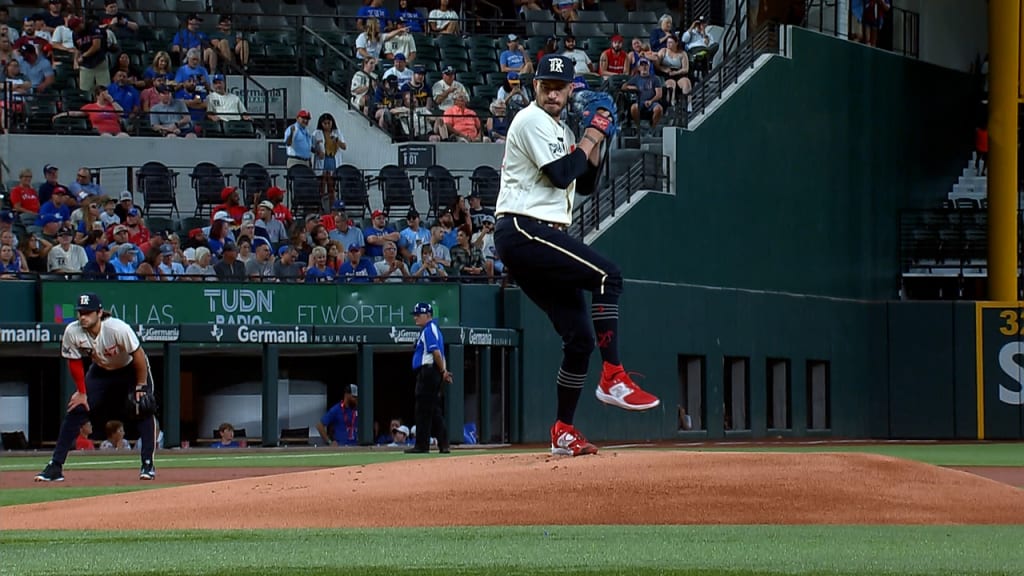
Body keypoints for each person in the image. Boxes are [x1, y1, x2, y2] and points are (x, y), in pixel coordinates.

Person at [492, 54, 660, 458]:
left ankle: (562, 430)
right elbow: (560, 174)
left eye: (559, 86)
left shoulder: (561, 127)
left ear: (570, 90)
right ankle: (614, 377)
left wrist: (597, 141)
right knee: (608, 276)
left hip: (540, 232)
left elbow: (583, 182)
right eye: (546, 85)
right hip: (522, 226)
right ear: (535, 87)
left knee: (580, 340)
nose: (552, 92)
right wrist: (590, 135)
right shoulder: (530, 119)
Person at [34, 293, 158, 482]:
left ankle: (148, 464)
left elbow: (139, 356)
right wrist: (82, 393)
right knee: (77, 409)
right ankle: (55, 467)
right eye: (80, 312)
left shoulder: (117, 328)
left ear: (99, 313)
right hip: (101, 371)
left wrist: (141, 386)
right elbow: (74, 362)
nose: (83, 316)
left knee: (142, 407)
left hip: (130, 368)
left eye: (88, 312)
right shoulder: (72, 331)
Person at [404, 302, 451, 454]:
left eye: (419, 315)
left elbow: (436, 353)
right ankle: (443, 444)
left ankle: (422, 445)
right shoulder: (434, 330)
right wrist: (443, 371)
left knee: (423, 410)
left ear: (428, 315)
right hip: (433, 372)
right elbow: (441, 354)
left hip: (428, 373)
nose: (415, 318)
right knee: (434, 410)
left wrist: (443, 370)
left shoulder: (429, 330)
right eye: (415, 315)